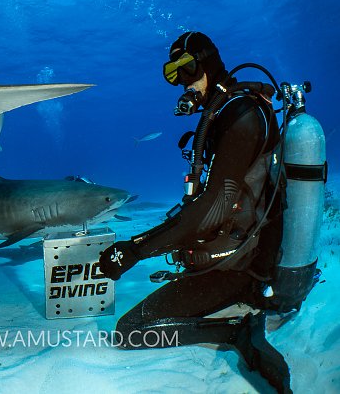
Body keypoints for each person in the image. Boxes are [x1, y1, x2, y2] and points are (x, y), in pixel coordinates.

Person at [98, 31, 292, 393]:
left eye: (188, 70)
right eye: (174, 74)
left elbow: (214, 209)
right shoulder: (227, 113)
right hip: (234, 254)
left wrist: (135, 250)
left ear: (210, 64)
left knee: (130, 332)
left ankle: (236, 331)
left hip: (243, 267)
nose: (183, 83)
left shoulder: (243, 115)